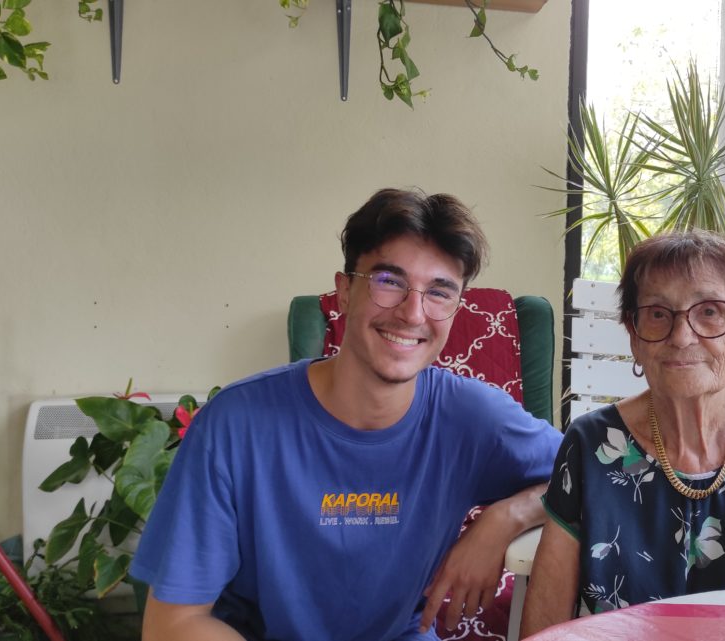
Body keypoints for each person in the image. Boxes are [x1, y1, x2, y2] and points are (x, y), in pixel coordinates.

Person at [130, 188, 563, 641]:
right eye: (389, 281)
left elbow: (603, 470)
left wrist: (505, 518)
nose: (413, 313)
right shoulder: (236, 424)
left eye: (440, 292)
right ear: (344, 292)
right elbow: (173, 623)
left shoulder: (470, 417)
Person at [520, 230, 725, 636]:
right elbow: (545, 628)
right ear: (634, 336)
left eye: (710, 312)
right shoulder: (591, 445)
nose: (681, 337)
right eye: (658, 313)